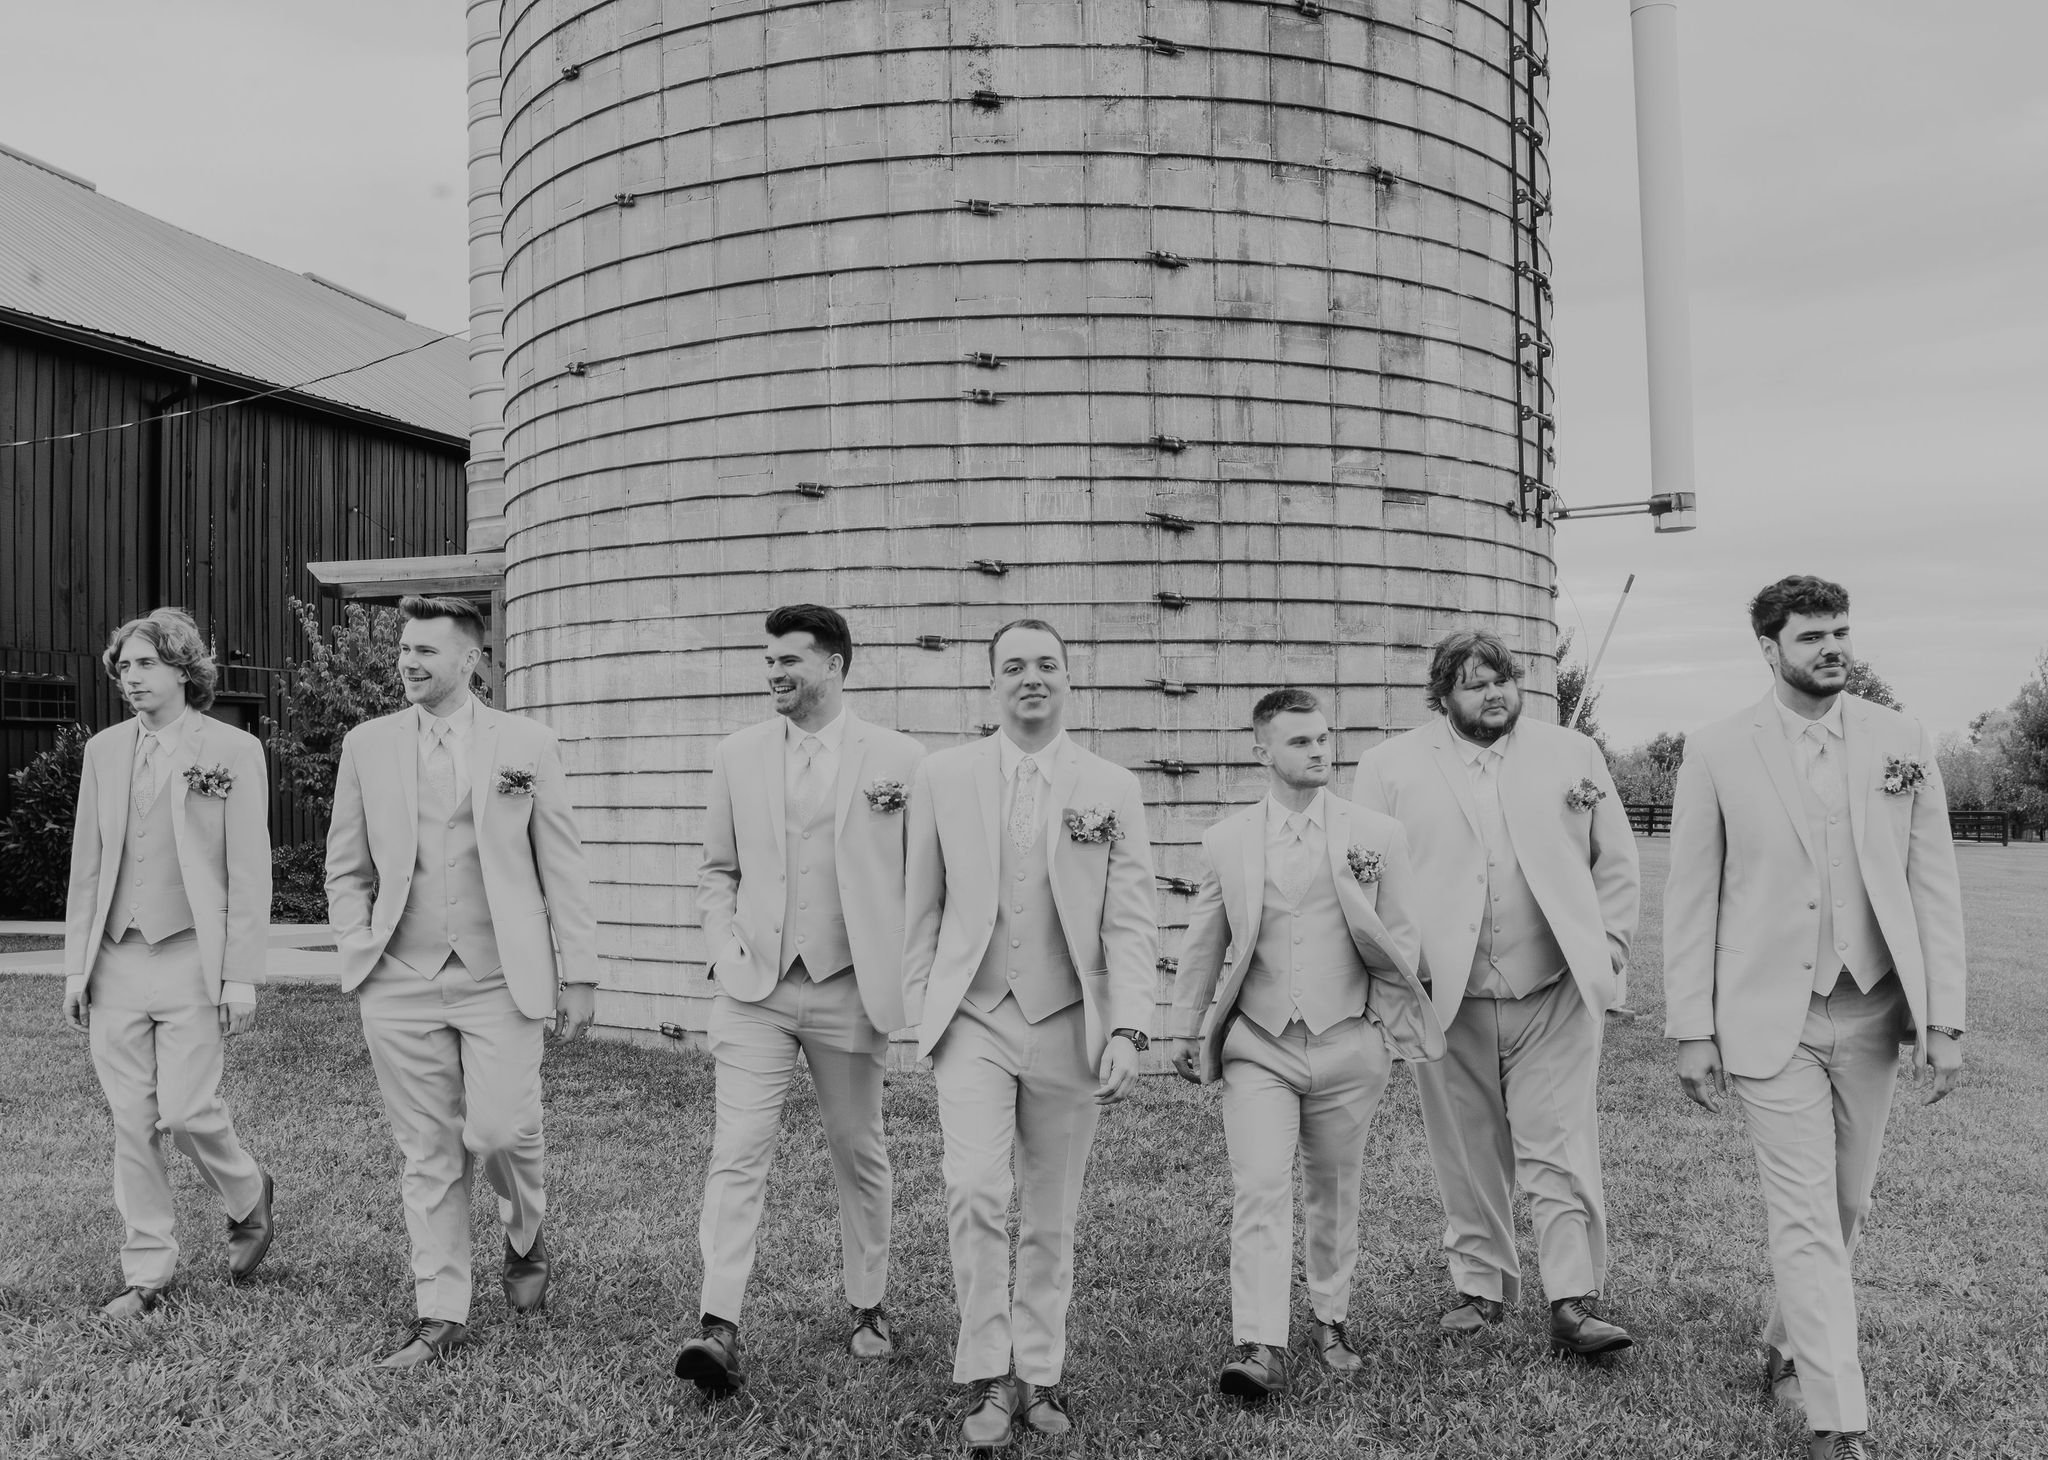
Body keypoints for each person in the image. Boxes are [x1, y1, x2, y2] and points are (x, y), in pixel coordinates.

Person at [1665, 575, 1965, 1460]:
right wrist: (1692, 1027)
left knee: (1846, 1200)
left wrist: (1943, 1021)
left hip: (1872, 1008)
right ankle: (1838, 1420)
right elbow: (1690, 899)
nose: (1833, 648)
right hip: (1768, 1016)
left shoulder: (1900, 738)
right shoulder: (1717, 749)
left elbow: (1934, 885)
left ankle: (1787, 1338)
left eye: (1841, 632)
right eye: (1811, 637)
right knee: (1800, 1212)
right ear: (1769, 648)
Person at [325, 594, 598, 1368]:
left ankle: (524, 1231)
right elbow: (346, 864)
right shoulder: (367, 744)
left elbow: (563, 864)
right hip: (398, 976)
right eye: (404, 650)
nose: (409, 663)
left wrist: (579, 972)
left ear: (471, 659)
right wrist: (356, 942)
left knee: (502, 1132)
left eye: (427, 651)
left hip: (498, 975)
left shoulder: (527, 743)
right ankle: (440, 1311)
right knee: (429, 1149)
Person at [902, 618, 1157, 1446]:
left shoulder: (1110, 786)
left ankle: (1040, 1376)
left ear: (1069, 679)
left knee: (1052, 1211)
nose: (1031, 679)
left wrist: (1130, 1029)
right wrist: (923, 1013)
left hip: (1068, 1023)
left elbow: (1131, 921)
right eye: (1014, 666)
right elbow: (923, 906)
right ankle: (985, 1375)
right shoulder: (943, 776)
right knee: (975, 1190)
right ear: (992, 684)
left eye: (1047, 665)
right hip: (972, 1018)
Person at [1351, 629, 1640, 1357]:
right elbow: (1365, 883)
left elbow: (1617, 861)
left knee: (1560, 1143)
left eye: (1502, 680)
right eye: (1476, 684)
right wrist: (1392, 974)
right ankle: (1482, 1287)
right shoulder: (1388, 766)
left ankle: (1573, 1299)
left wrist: (1607, 948)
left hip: (1555, 987)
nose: (1494, 694)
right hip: (1444, 996)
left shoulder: (1573, 755)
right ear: (1442, 696)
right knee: (1468, 1147)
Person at [674, 605, 925, 1395]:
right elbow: (718, 870)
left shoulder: (901, 759)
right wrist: (722, 947)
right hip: (757, 987)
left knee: (859, 1149)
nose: (774, 675)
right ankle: (718, 1324)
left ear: (836, 665)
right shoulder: (737, 754)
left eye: (790, 661)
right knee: (739, 1147)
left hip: (852, 987)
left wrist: (904, 968)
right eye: (769, 662)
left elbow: (924, 878)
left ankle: (868, 1303)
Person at [1165, 688, 1443, 1400]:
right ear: (1262, 752)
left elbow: (1403, 940)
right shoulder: (1226, 841)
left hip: (1350, 1040)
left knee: (1334, 1189)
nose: (1320, 751)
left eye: (1324, 739)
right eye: (1300, 742)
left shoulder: (1375, 834)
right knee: (1259, 1188)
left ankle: (1331, 1317)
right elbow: (1204, 943)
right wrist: (1184, 1023)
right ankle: (1259, 1342)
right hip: (1259, 1043)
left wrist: (1379, 1030)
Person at [61, 608, 275, 1317]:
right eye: (123, 667)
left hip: (192, 954)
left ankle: (246, 1191)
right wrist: (75, 968)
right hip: (116, 957)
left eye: (146, 664)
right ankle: (147, 1272)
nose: (131, 678)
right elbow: (87, 869)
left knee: (184, 1113)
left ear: (185, 669)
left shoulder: (234, 750)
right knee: (131, 1119)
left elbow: (249, 872)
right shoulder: (105, 751)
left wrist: (238, 975)